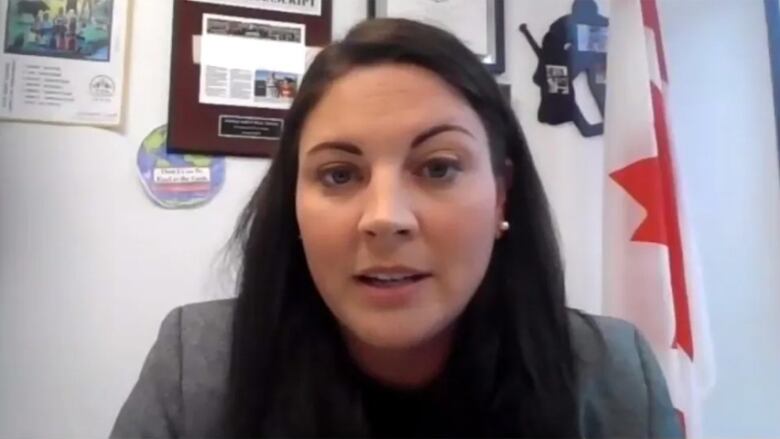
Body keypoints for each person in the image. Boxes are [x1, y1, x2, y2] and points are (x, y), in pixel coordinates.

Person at [111, 18, 682, 438]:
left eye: (438, 168)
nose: (385, 217)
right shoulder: (196, 371)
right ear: (294, 205)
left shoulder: (615, 377)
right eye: (339, 174)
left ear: (501, 193)